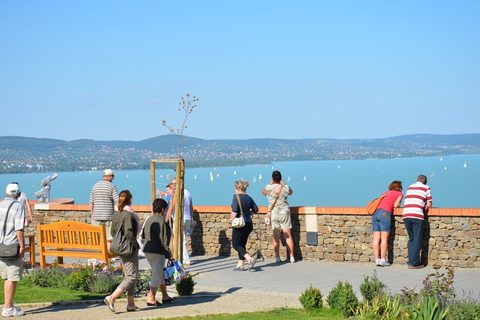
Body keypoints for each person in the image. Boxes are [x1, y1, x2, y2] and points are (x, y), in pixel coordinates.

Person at [104, 190, 140, 313]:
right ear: (130, 200)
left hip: (120, 248)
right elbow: (129, 232)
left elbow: (113, 232)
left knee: (129, 275)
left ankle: (131, 304)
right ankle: (112, 298)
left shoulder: (117, 214)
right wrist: (136, 244)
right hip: (128, 248)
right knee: (131, 277)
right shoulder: (129, 214)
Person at [142, 198, 174, 306]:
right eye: (165, 209)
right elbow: (164, 241)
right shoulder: (161, 222)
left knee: (159, 272)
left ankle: (165, 295)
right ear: (162, 209)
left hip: (147, 250)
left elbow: (142, 235)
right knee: (156, 273)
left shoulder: (148, 219)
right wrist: (169, 255)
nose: (165, 211)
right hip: (157, 251)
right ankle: (151, 298)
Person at [0, 184, 26, 317]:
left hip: (1, 245)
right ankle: (8, 308)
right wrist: (22, 245)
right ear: (19, 194)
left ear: (6, 193)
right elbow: (18, 228)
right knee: (13, 277)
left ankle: (7, 306)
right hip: (12, 246)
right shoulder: (18, 206)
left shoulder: (1, 205)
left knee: (6, 277)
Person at [262, 170, 295, 263]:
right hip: (284, 212)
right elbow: (291, 192)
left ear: (272, 178)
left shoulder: (268, 187)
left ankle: (277, 257)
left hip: (274, 213)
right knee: (288, 235)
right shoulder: (285, 187)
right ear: (280, 178)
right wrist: (283, 183)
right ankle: (292, 256)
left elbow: (263, 192)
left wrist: (270, 182)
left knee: (276, 236)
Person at [403, 175, 432, 269]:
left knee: (411, 239)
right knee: (417, 239)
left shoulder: (410, 187)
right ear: (426, 182)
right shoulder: (426, 188)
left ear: (416, 181)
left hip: (406, 215)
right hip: (417, 215)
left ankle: (410, 260)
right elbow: (429, 204)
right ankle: (415, 263)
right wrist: (425, 206)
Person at [371, 180, 403, 267]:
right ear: (398, 188)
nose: (402, 189)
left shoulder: (385, 193)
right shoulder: (399, 194)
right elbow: (396, 205)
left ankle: (377, 259)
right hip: (385, 214)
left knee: (376, 238)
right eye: (401, 187)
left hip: (375, 213)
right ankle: (383, 260)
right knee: (384, 238)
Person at [231, 180, 258, 271]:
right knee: (242, 244)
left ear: (238, 189)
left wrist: (232, 220)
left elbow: (234, 211)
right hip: (249, 224)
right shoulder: (249, 198)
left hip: (240, 224)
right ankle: (240, 264)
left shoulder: (236, 197)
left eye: (235, 189)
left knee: (236, 244)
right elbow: (256, 209)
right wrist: (249, 213)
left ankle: (249, 258)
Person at [166, 178, 194, 265]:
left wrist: (166, 219)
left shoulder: (176, 193)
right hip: (187, 218)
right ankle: (181, 256)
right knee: (184, 237)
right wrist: (192, 218)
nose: (172, 186)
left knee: (180, 238)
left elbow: (172, 207)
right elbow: (191, 207)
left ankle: (185, 259)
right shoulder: (187, 192)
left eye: (173, 184)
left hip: (179, 218)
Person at [90, 169, 119, 250]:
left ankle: (99, 256)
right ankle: (107, 258)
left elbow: (91, 203)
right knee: (109, 239)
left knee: (96, 238)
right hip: (108, 217)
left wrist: (92, 215)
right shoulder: (112, 186)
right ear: (109, 176)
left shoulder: (95, 186)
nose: (113, 178)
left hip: (96, 218)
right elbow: (118, 201)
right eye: (112, 176)